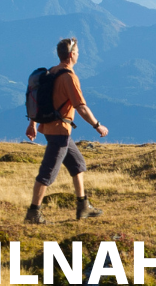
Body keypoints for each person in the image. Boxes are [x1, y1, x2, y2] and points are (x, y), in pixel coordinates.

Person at [24, 38, 110, 224]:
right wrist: (97, 125)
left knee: (77, 164)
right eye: (78, 52)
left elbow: (41, 100)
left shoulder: (52, 72)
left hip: (51, 128)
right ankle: (33, 213)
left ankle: (83, 206)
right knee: (47, 173)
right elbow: (81, 107)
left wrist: (32, 123)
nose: (79, 55)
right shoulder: (69, 77)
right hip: (59, 132)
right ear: (72, 55)